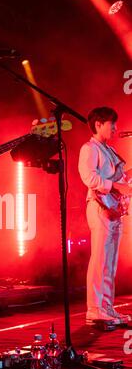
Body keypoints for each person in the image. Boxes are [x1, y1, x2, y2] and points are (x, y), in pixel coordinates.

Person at [78, 106, 132, 326]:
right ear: (98, 124)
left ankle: (107, 307)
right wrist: (117, 186)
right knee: (100, 260)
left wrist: (124, 182)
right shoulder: (89, 149)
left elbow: (117, 177)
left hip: (111, 208)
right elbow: (89, 178)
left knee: (109, 262)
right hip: (100, 208)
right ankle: (95, 309)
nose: (115, 128)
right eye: (112, 123)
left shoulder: (106, 149)